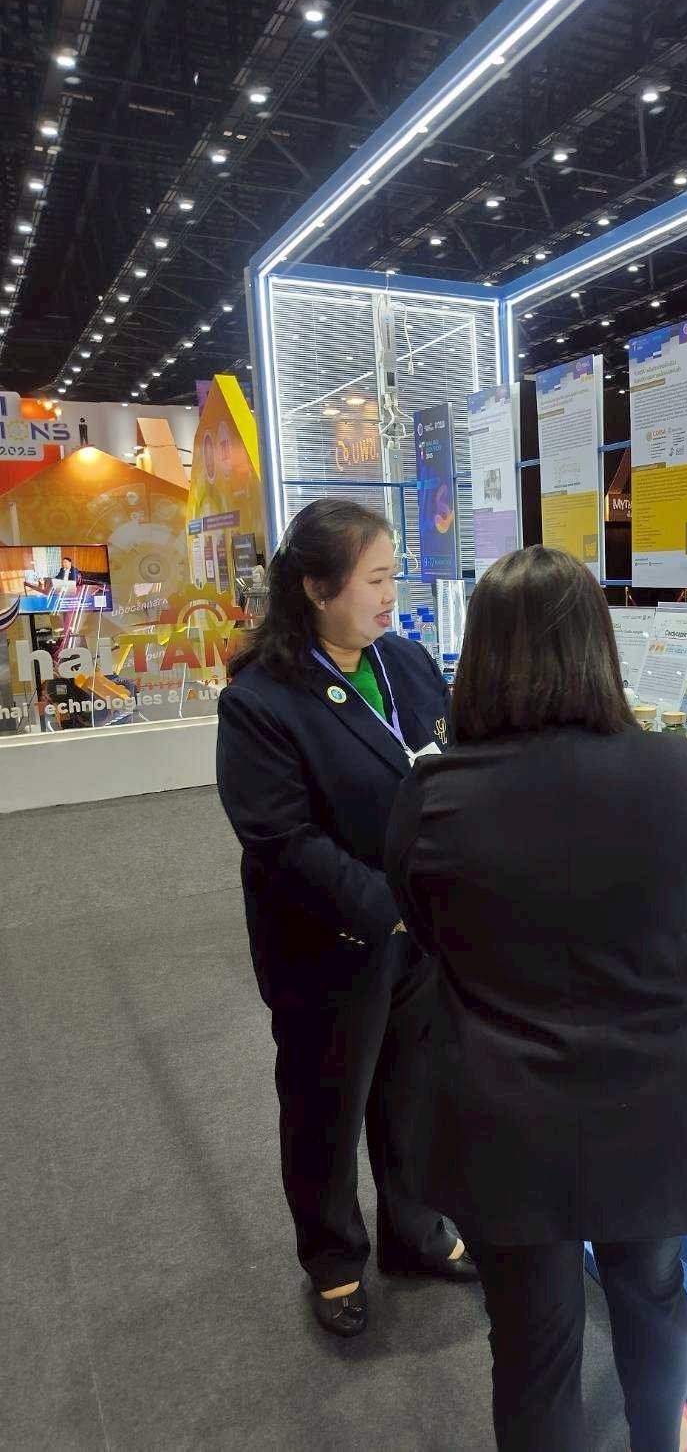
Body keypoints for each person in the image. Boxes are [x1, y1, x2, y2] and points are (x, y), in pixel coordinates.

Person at [386, 545, 687, 1452]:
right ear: (600, 646)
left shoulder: (434, 795)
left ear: (481, 653)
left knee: (533, 1340)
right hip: (652, 1102)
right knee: (653, 1292)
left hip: (503, 1112)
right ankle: (660, 1437)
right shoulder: (684, 775)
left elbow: (425, 927)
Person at [216, 499, 475, 1340]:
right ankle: (332, 1258)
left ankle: (414, 1229)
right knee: (325, 1104)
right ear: (317, 587)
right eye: (375, 579)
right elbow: (280, 841)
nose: (392, 595)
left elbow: (449, 760)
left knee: (412, 1088)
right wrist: (390, 906)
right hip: (326, 945)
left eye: (394, 575)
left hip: (418, 938)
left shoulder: (404, 661)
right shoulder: (262, 700)